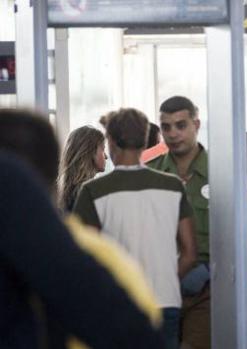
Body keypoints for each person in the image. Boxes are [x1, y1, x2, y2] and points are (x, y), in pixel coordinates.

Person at [0, 108, 164, 349]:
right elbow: (134, 332)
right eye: (102, 149)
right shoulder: (97, 252)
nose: (107, 157)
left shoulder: (70, 194)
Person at [147, 96, 247, 349]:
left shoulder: (226, 172)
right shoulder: (149, 172)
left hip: (209, 290)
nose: (173, 134)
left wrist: (213, 269)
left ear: (196, 124)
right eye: (166, 127)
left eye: (181, 125)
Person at [74, 108, 197, 349]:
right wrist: (166, 277)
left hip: (116, 302)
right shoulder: (172, 186)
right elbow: (190, 252)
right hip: (165, 299)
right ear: (145, 141)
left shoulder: (92, 191)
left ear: (110, 142)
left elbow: (83, 256)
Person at [57, 126, 107, 212]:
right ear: (89, 152)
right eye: (103, 149)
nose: (106, 156)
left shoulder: (61, 192)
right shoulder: (89, 193)